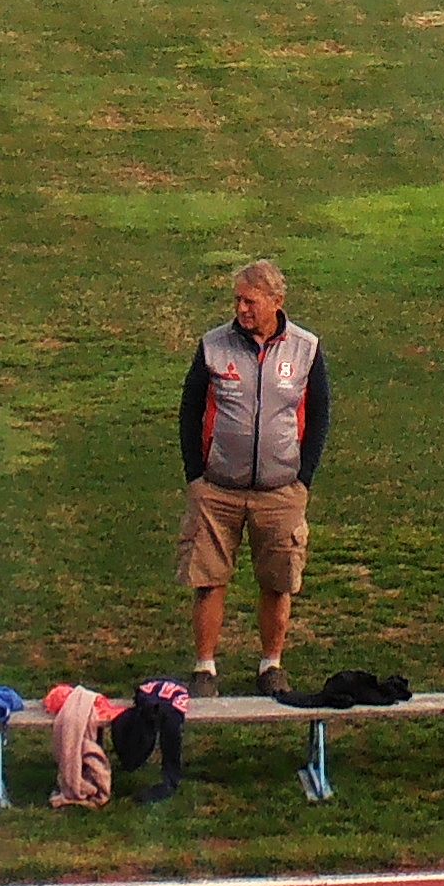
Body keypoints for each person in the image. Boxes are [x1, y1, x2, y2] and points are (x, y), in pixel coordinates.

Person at [178, 257, 331, 693]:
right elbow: (190, 411)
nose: (242, 309)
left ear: (276, 301)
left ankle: (271, 666)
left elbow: (319, 414)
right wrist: (196, 473)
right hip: (218, 490)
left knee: (278, 581)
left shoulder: (306, 348)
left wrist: (304, 479)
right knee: (208, 579)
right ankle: (205, 667)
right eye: (238, 300)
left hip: (280, 491)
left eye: (250, 301)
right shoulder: (213, 345)